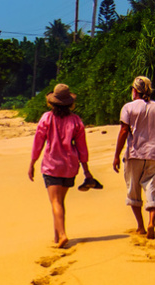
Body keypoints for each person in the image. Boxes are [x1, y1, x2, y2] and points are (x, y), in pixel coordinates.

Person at [28, 84, 96, 249]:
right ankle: (57, 236)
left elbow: (39, 142)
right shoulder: (76, 120)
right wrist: (86, 169)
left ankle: (63, 234)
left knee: (55, 201)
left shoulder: (47, 118)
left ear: (52, 103)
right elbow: (82, 147)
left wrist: (32, 162)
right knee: (59, 201)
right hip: (69, 166)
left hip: (52, 164)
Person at [113, 76, 155, 239]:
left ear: (134, 91)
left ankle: (140, 226)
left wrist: (116, 155)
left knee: (133, 190)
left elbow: (123, 131)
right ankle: (151, 223)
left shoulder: (128, 108)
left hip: (134, 155)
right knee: (153, 189)